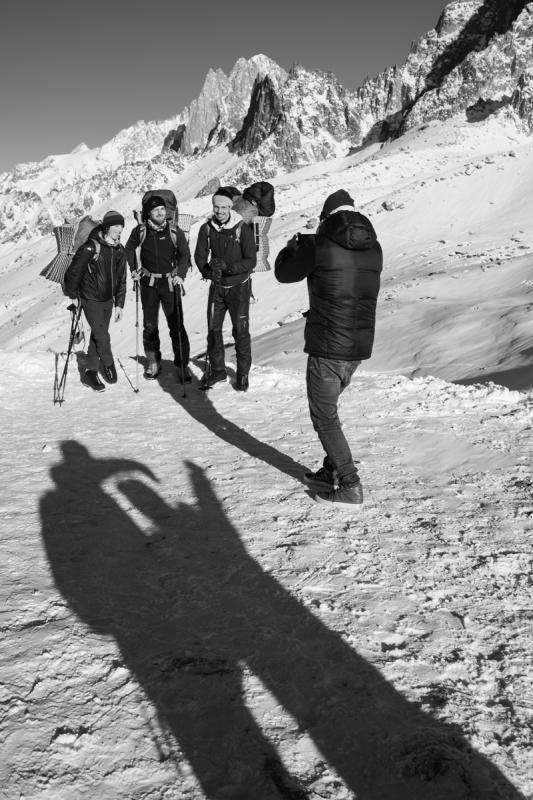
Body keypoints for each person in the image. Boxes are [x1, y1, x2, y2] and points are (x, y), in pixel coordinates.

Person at [274, 189, 382, 508]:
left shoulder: (318, 245)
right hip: (358, 345)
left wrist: (292, 248)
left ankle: (350, 485)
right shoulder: (374, 247)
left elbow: (283, 273)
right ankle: (331, 469)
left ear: (325, 218)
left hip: (327, 345)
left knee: (324, 416)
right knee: (329, 409)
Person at [194, 188, 256, 391]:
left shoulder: (242, 229)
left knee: (240, 331)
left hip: (239, 287)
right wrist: (208, 272)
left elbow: (251, 261)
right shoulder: (207, 229)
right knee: (214, 330)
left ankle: (243, 374)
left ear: (230, 208)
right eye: (216, 207)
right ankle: (218, 370)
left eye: (223, 207)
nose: (219, 211)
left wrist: (228, 268)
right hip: (217, 287)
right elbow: (200, 256)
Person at [125, 195, 191, 382]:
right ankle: (153, 362)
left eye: (162, 209)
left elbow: (185, 255)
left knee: (176, 326)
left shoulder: (174, 231)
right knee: (149, 325)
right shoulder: (140, 231)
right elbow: (128, 249)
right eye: (155, 210)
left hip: (170, 282)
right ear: (149, 213)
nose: (160, 212)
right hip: (149, 284)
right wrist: (134, 269)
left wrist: (181, 274)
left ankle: (182, 365)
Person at [65, 210, 127, 392]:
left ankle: (90, 372)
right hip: (90, 299)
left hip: (108, 300)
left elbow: (122, 279)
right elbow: (73, 272)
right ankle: (108, 364)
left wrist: (119, 304)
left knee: (97, 336)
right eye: (116, 226)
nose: (119, 229)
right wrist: (73, 296)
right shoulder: (91, 247)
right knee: (102, 336)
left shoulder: (119, 249)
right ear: (107, 227)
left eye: (121, 226)